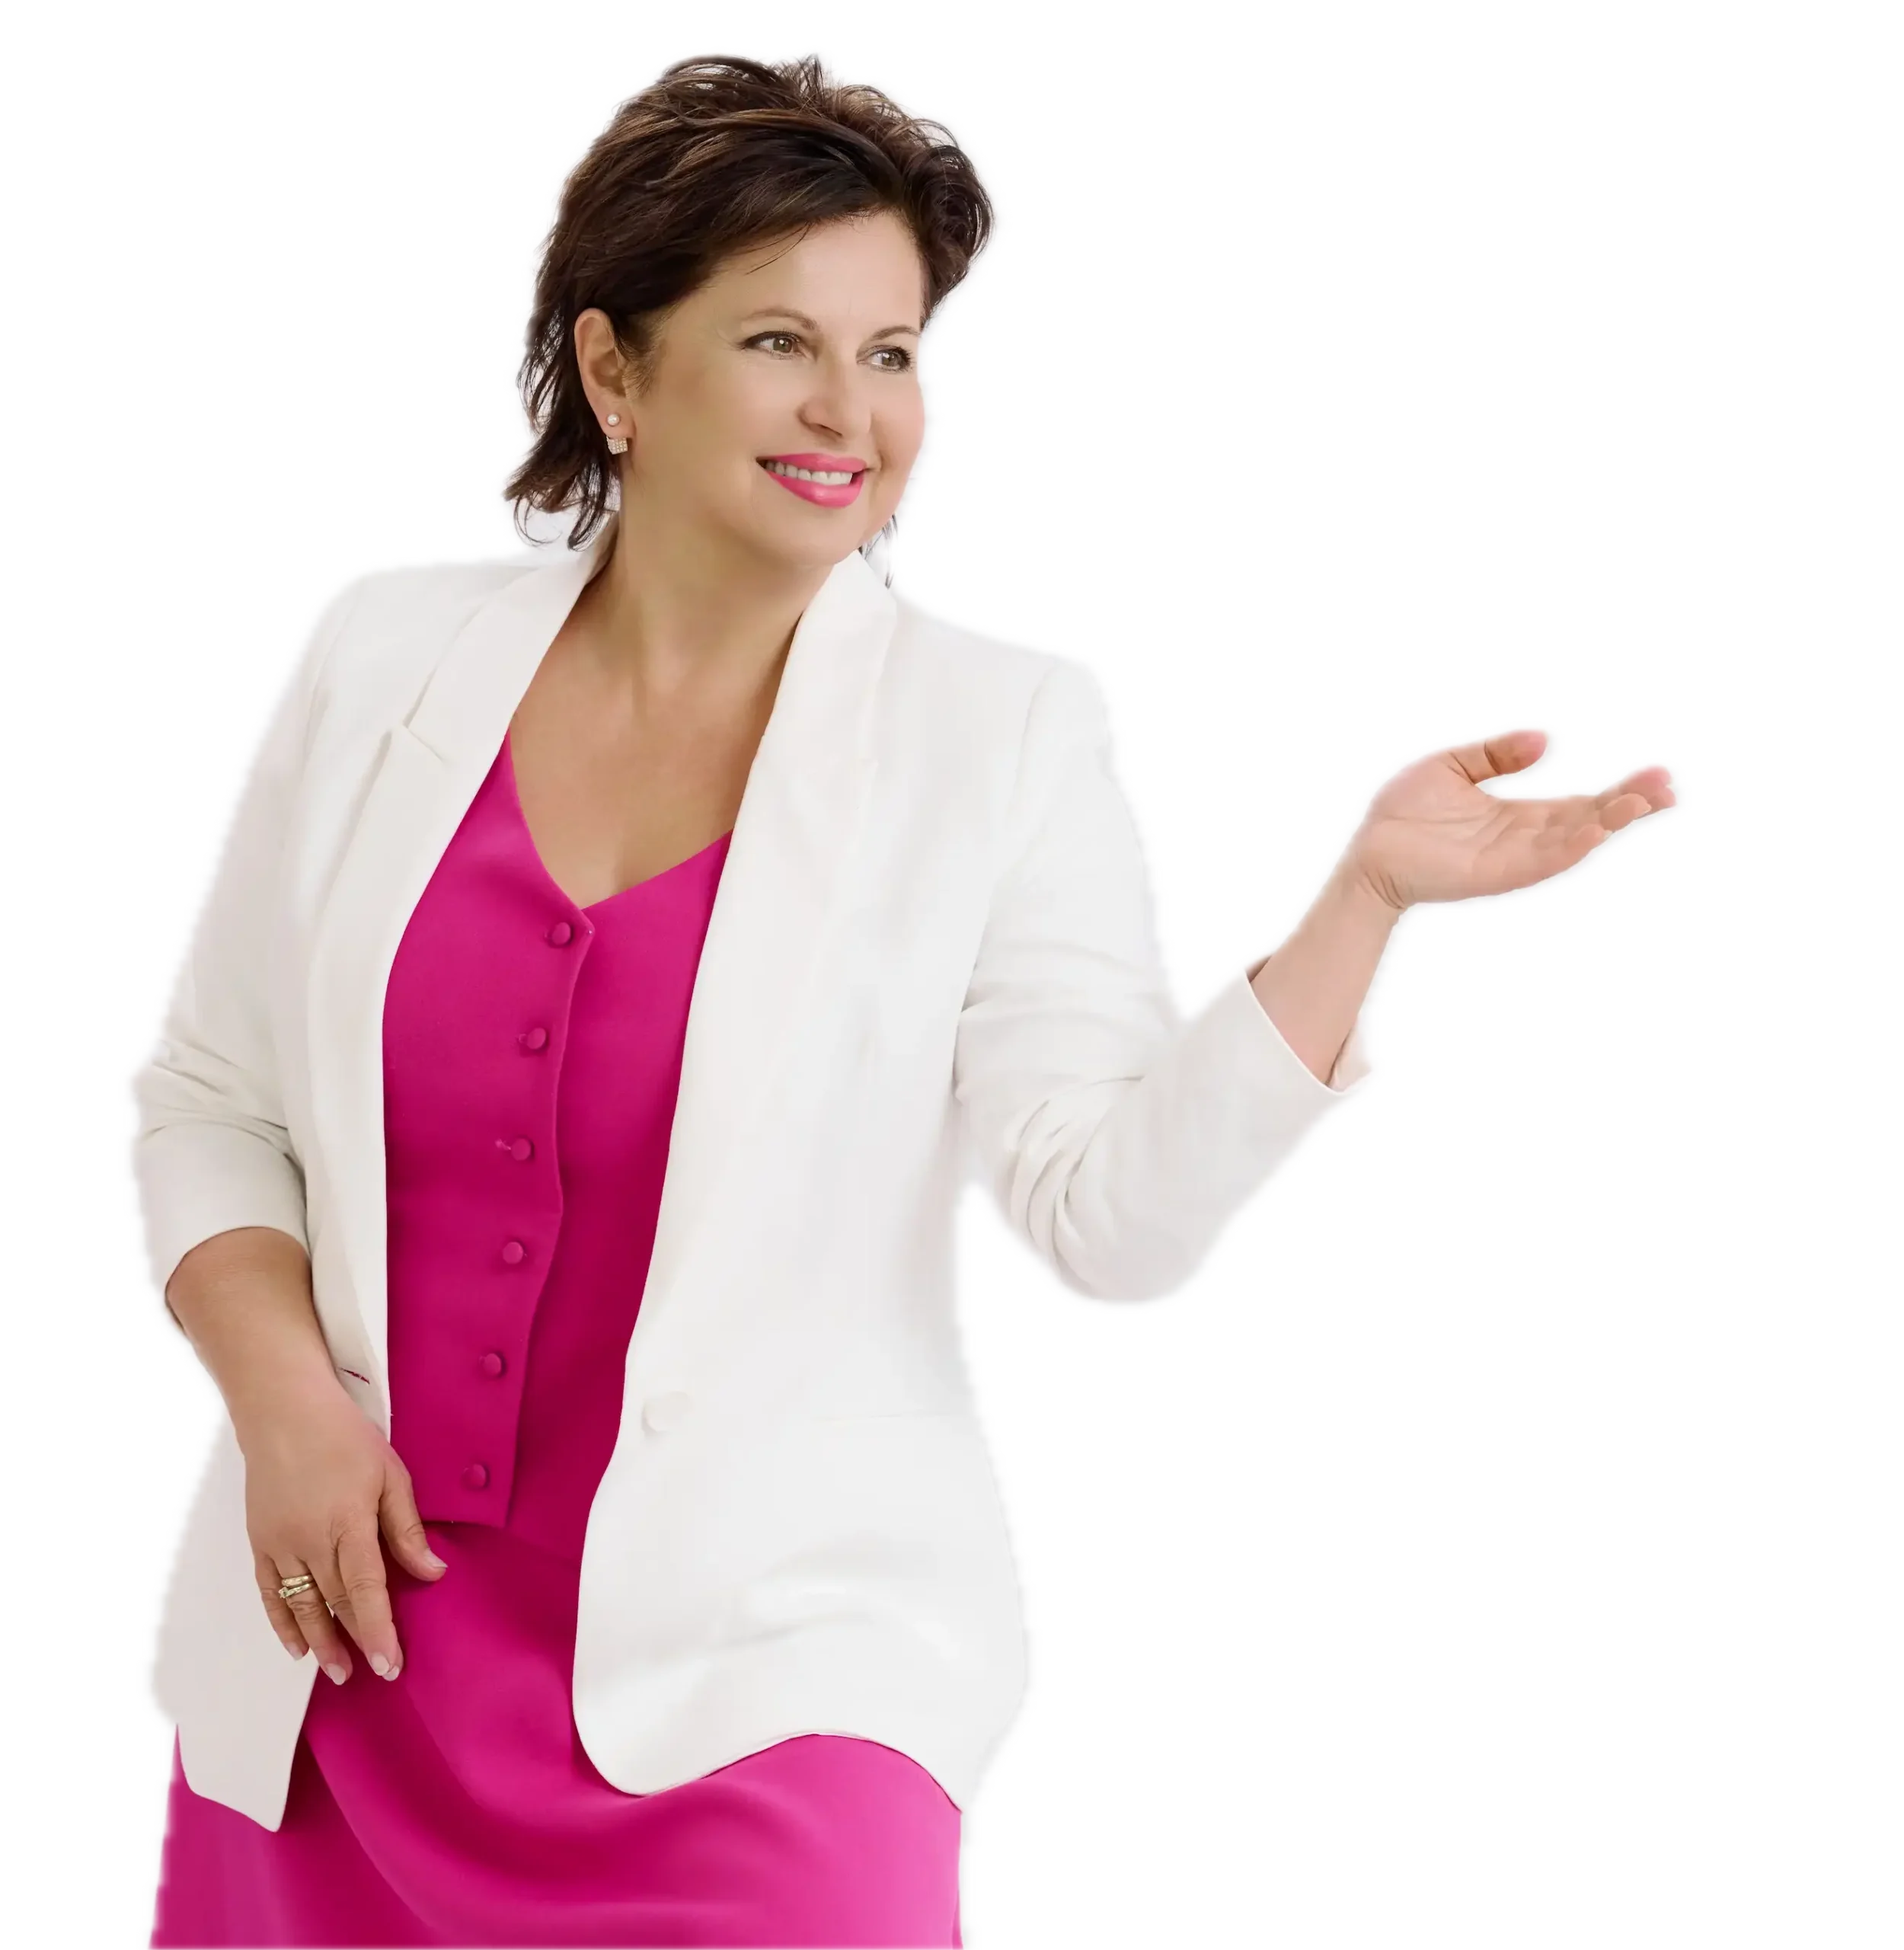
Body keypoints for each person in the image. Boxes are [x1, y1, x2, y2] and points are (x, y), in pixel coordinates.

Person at [123, 46, 1686, 1950]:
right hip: (335, 1658)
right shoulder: (376, 648)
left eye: (893, 350)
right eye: (779, 341)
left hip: (770, 1693)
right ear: (614, 370)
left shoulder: (1002, 728)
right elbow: (204, 1099)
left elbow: (1110, 1224)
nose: (849, 412)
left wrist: (1355, 905)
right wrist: (283, 1405)